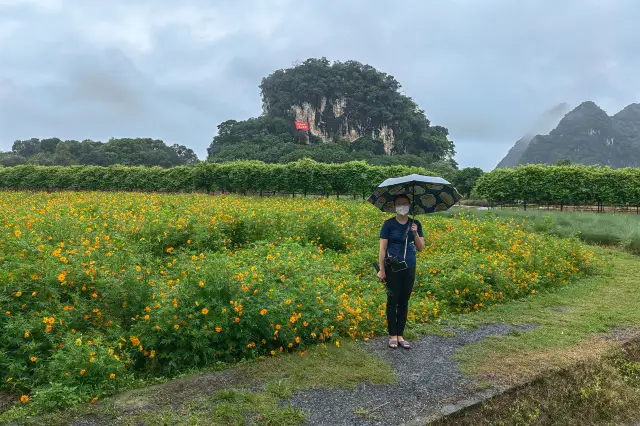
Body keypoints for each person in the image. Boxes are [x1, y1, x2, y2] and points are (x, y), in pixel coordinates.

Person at [377, 194, 425, 349]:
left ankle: (400, 335)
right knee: (392, 301)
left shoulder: (415, 223)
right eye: (399, 204)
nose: (402, 206)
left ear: (410, 205)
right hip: (393, 268)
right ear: (394, 206)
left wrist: (415, 233)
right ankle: (392, 335)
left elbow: (421, 248)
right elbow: (383, 248)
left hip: (409, 267)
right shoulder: (388, 224)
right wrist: (382, 270)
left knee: (404, 302)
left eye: (405, 203)